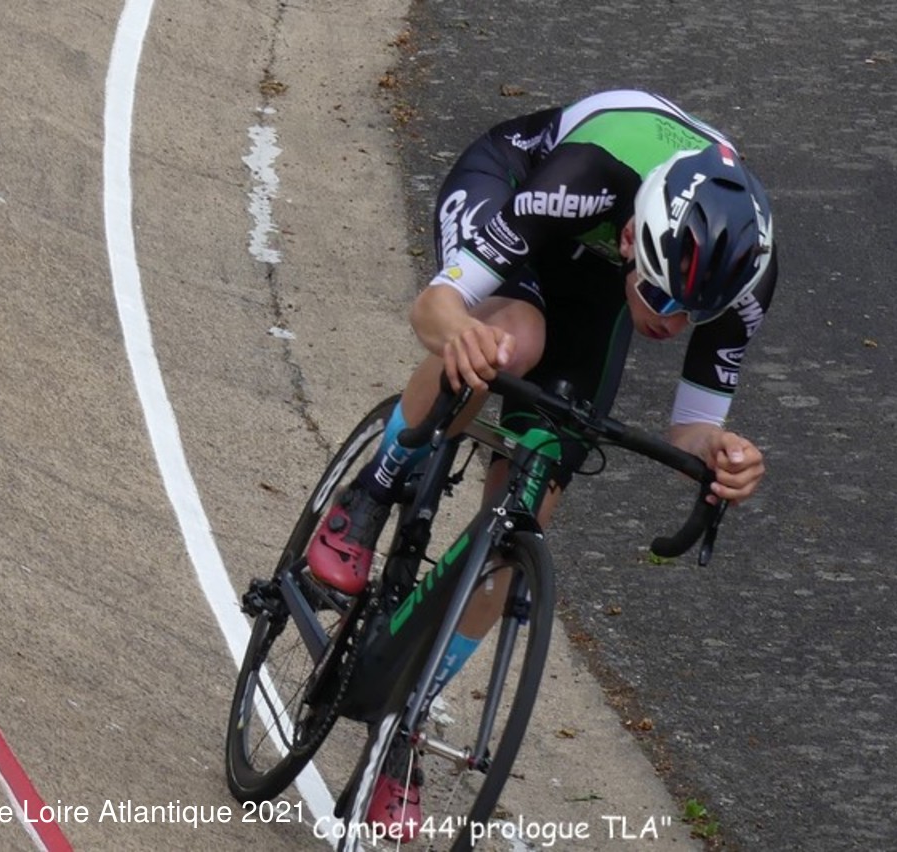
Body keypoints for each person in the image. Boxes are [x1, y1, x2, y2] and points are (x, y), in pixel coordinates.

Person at [308, 88, 776, 839]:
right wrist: (460, 333)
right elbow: (433, 309)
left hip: (596, 277)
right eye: (665, 299)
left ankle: (406, 717)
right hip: (514, 190)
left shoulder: (741, 268)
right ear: (635, 238)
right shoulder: (586, 174)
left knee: (533, 500)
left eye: (696, 315)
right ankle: (370, 491)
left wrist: (722, 454)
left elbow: (692, 430)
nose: (674, 323)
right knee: (507, 344)